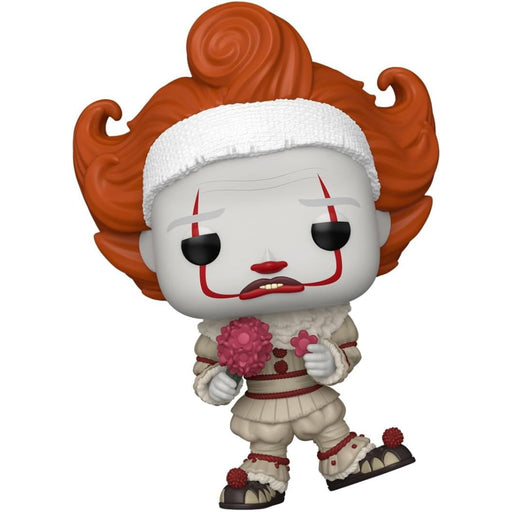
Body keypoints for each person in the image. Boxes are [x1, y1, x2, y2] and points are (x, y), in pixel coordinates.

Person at [73, 2, 438, 509]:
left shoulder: (327, 318)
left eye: (327, 231)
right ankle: (266, 469)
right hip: (261, 401)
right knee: (266, 439)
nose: (268, 260)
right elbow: (205, 368)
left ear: (380, 227)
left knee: (328, 422)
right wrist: (217, 381)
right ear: (150, 252)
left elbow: (349, 351)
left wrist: (331, 360)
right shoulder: (219, 332)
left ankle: (341, 455)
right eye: (203, 246)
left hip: (314, 394)